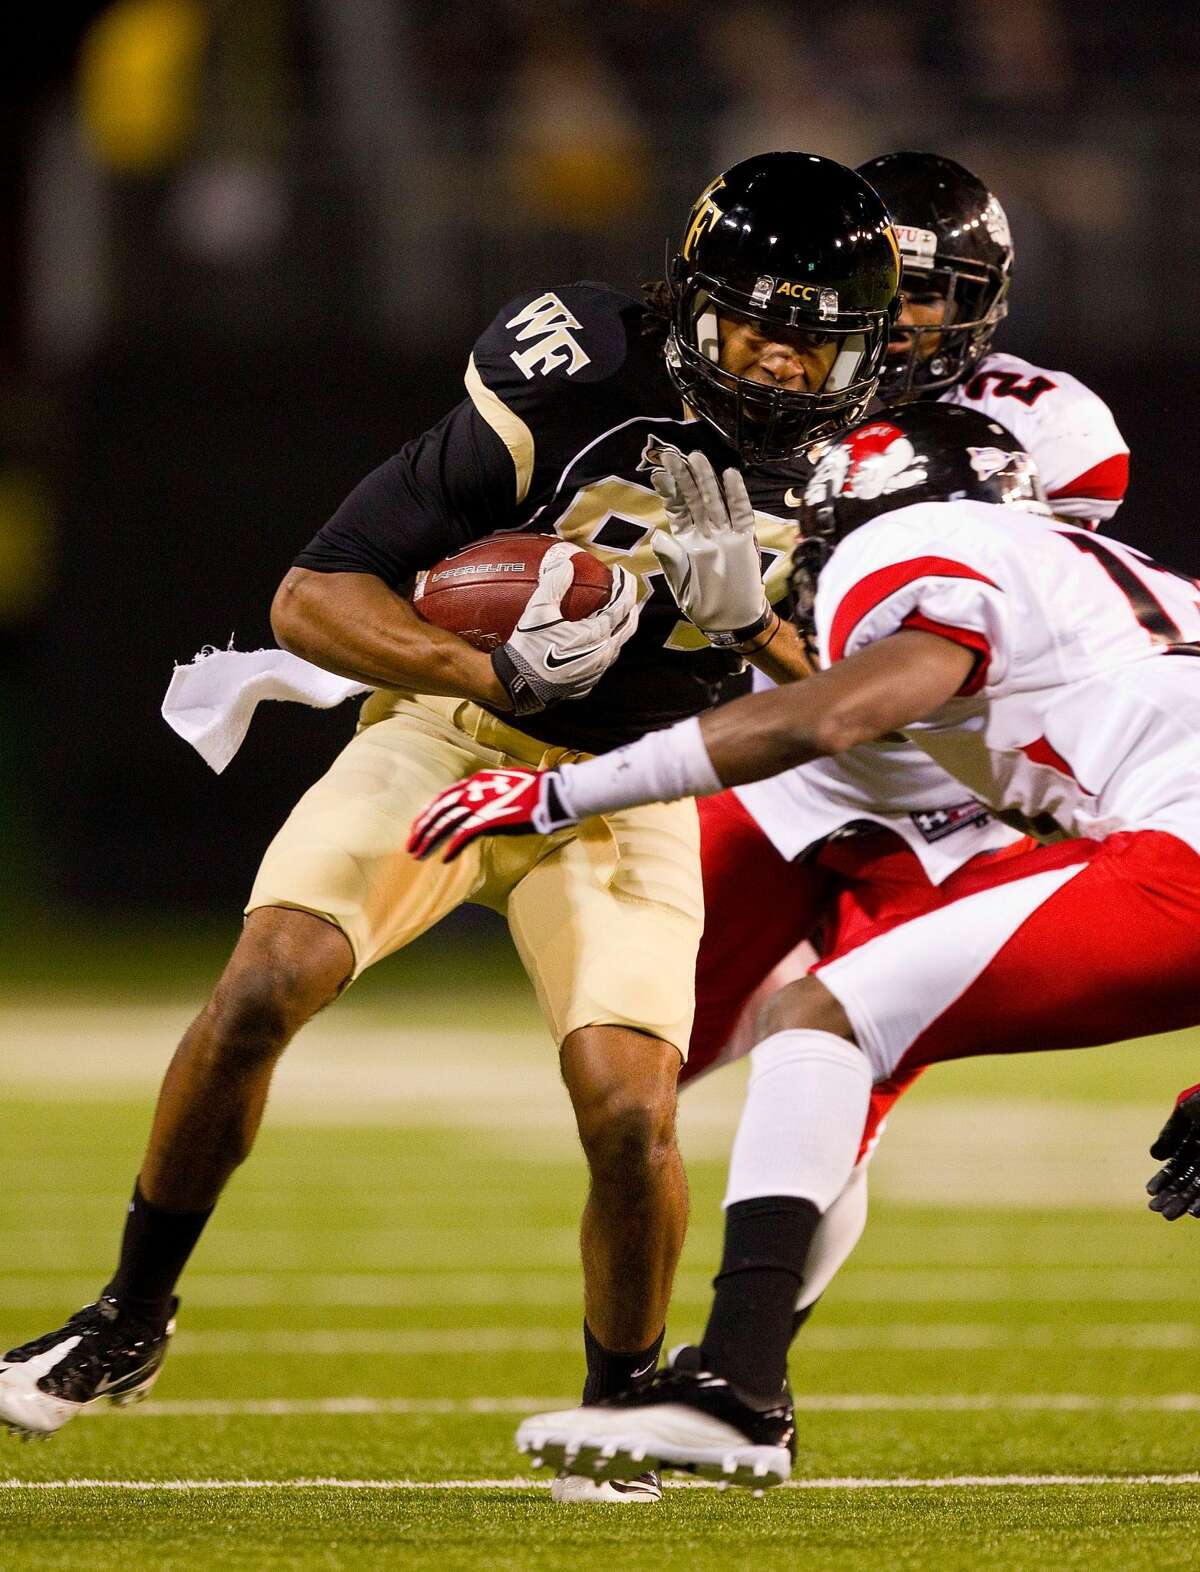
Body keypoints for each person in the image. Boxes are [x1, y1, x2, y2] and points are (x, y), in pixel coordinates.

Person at [0, 152, 901, 1504]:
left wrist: (755, 630)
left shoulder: (878, 471)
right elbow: (314, 596)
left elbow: (864, 718)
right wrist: (493, 672)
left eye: (815, 343)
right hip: (451, 743)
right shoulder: (583, 367)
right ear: (693, 300)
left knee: (625, 1111)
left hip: (632, 788)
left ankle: (624, 1405)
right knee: (264, 982)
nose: (781, 367)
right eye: (760, 324)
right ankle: (127, 1320)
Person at [408, 403, 1200, 1489]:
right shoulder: (1115, 579)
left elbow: (827, 718)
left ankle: (735, 1393)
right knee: (829, 1023)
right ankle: (737, 1391)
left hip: (1179, 861)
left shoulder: (920, 548)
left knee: (822, 1018)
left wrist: (557, 793)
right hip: (1161, 846)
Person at [683, 151, 1131, 1345]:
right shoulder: (759, 372)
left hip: (951, 797)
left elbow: (1002, 650)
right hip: (785, 768)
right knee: (630, 1060)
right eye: (899, 283)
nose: (915, 316)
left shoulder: (1053, 430)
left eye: (939, 290)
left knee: (844, 1080)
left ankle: (741, 1369)